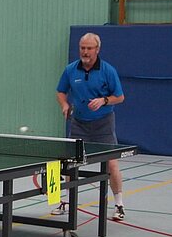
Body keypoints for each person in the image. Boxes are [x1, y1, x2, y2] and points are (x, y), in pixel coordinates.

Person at [54, 32, 126, 220]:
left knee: (111, 163)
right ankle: (66, 201)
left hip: (103, 124)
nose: (85, 52)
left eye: (89, 48)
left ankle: (119, 204)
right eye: (82, 48)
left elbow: (119, 97)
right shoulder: (70, 70)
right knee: (70, 163)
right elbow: (60, 91)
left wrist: (104, 100)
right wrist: (64, 105)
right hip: (79, 124)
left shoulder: (108, 71)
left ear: (97, 49)